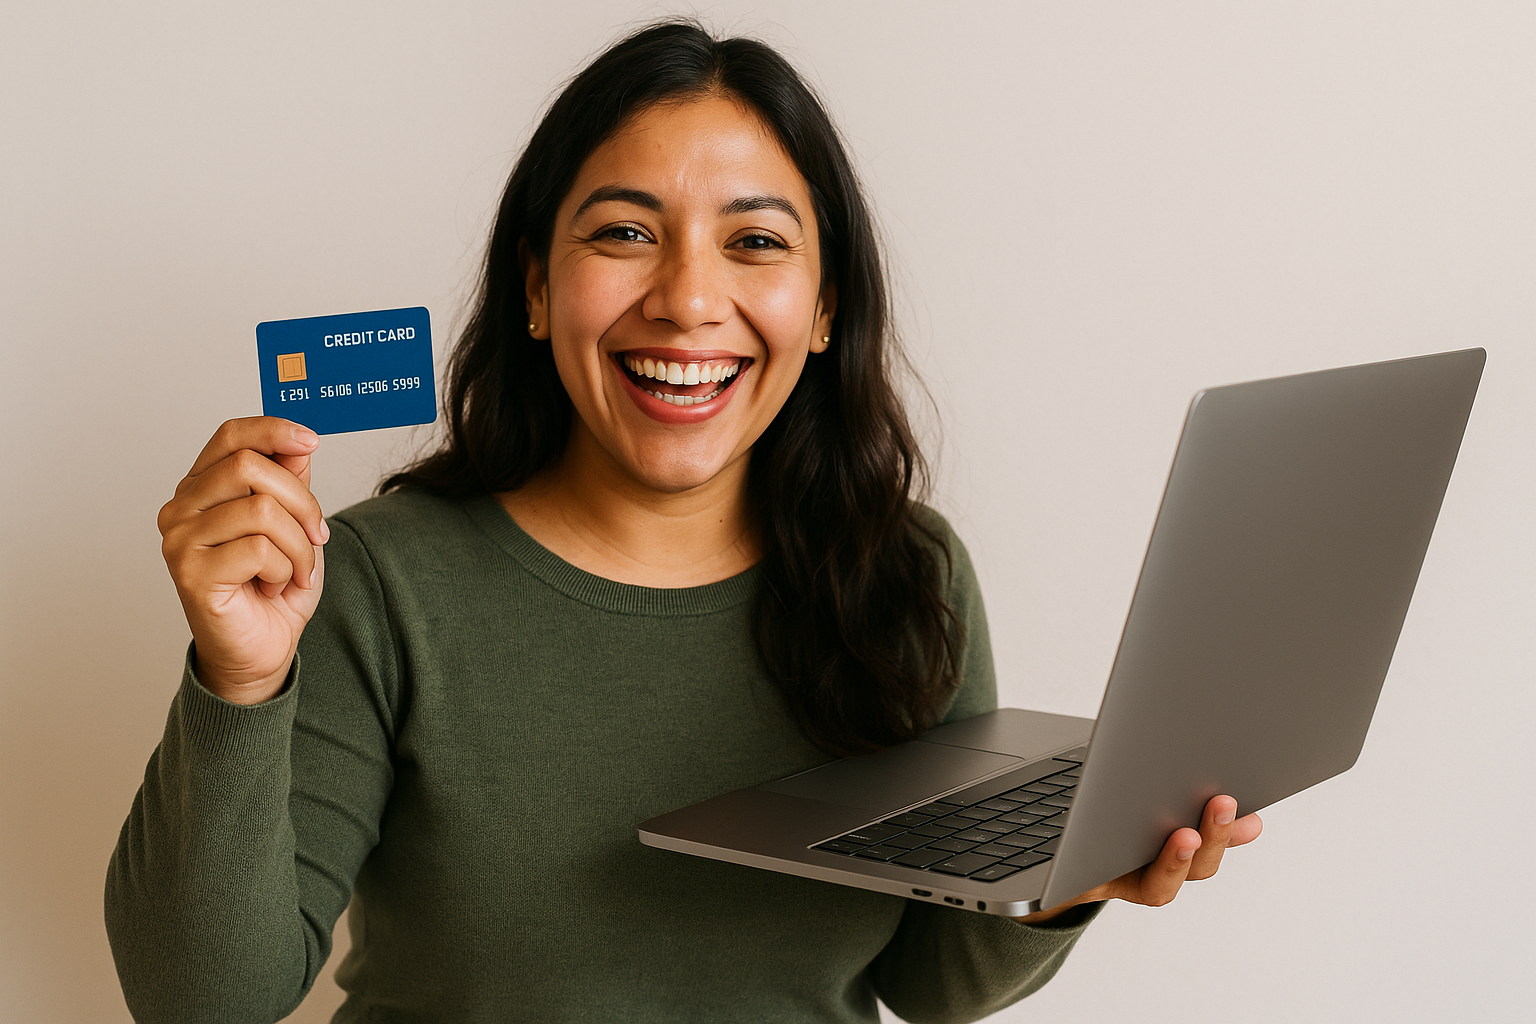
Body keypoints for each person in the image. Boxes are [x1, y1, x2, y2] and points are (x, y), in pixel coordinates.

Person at [106, 20, 1262, 1024]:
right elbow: (201, 997)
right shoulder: (371, 577)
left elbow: (935, 980)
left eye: (755, 242)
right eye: (622, 232)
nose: (690, 300)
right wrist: (239, 681)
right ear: (535, 287)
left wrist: (1069, 870)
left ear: (822, 311)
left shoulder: (907, 573)